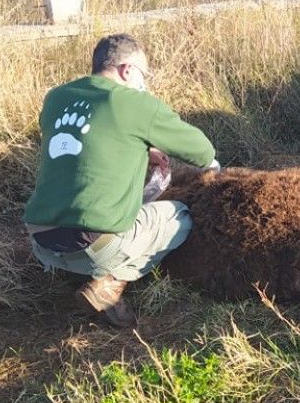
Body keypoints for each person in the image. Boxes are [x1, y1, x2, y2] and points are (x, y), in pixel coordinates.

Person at [23, 33, 219, 327]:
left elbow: (88, 142)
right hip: (93, 247)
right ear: (127, 70)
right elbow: (203, 152)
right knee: (179, 216)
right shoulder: (133, 103)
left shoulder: (56, 98)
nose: (145, 83)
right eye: (144, 75)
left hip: (42, 243)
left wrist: (142, 148)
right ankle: (109, 284)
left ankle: (74, 272)